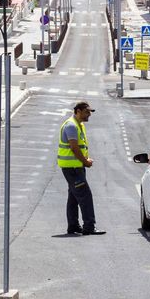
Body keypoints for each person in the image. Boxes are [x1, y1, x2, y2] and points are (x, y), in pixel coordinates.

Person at [57, 101, 106, 235]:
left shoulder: (79, 125)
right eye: (87, 112)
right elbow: (74, 147)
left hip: (75, 167)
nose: (89, 114)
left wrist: (84, 161)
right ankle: (89, 226)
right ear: (78, 111)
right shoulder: (71, 126)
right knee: (85, 196)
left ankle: (73, 226)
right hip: (72, 168)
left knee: (73, 197)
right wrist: (85, 162)